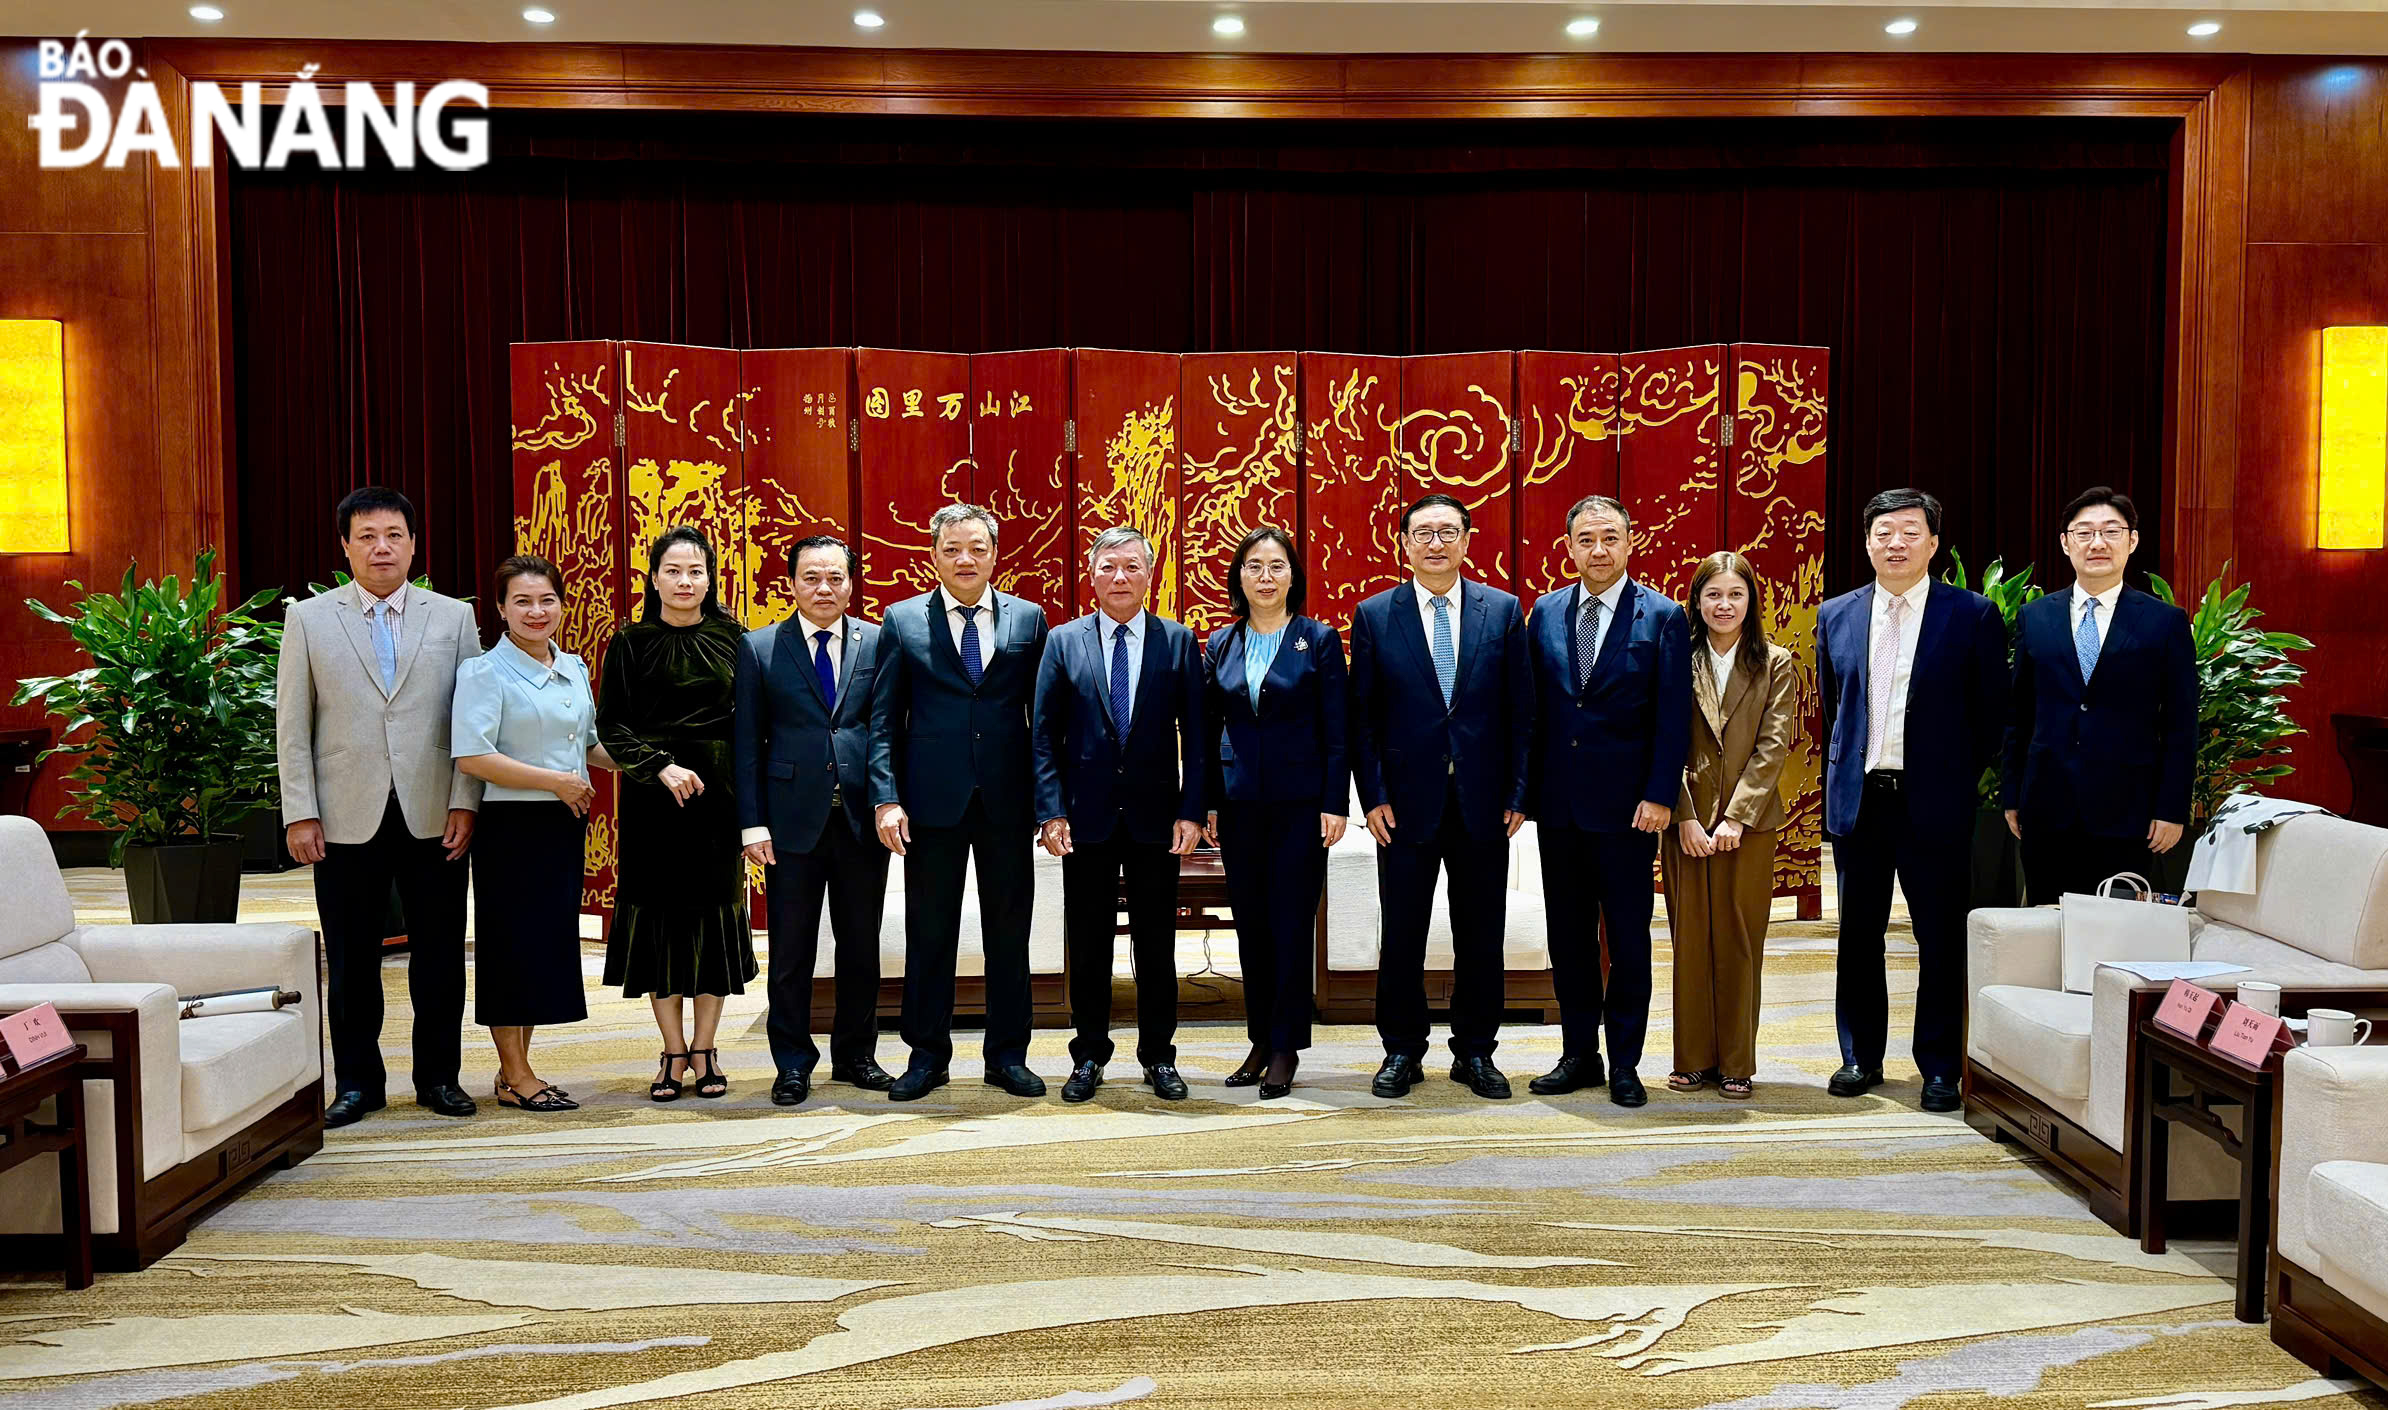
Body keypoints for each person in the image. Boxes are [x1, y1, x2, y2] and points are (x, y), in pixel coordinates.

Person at [275, 486, 484, 1128]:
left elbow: (472, 721)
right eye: (366, 536)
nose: (381, 547)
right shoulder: (309, 619)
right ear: (345, 546)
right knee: (352, 955)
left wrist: (465, 802)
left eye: (393, 534)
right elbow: (292, 723)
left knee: (442, 955)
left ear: (414, 544)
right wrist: (298, 812)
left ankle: (438, 1078)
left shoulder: (452, 618)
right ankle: (359, 1083)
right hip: (342, 817)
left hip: (433, 812)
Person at [1817, 488, 2005, 1112]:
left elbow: (1990, 716)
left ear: (1933, 543)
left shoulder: (1971, 615)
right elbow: (1834, 710)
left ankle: (1940, 1066)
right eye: (1882, 533)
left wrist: (1954, 778)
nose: (1894, 543)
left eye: (1908, 532)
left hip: (1935, 803)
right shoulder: (1836, 614)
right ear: (1867, 542)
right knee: (1858, 936)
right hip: (1861, 800)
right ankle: (1860, 1056)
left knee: (1940, 938)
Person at [1349, 493, 1533, 1101]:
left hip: (1483, 801)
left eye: (1447, 532)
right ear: (1404, 544)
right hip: (1402, 805)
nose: (1435, 543)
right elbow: (1364, 719)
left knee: (1482, 930)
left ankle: (1476, 1051)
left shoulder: (1502, 610)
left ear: (1468, 540)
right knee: (1402, 929)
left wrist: (1517, 792)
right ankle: (1401, 1049)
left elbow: (1520, 713)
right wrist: (1371, 796)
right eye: (1422, 533)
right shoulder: (1376, 614)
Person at [871, 503, 1052, 1101]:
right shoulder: (902, 621)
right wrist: (886, 798)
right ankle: (926, 1057)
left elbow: (1042, 722)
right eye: (952, 549)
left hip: (1006, 801)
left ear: (996, 553)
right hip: (931, 804)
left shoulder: (1030, 620)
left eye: (976, 548)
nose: (965, 559)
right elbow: (883, 722)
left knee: (1009, 933)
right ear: (934, 556)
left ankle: (1008, 1056)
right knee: (931, 934)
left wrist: (1048, 802)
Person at [1522, 495, 1692, 1109]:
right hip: (1559, 807)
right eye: (1586, 539)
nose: (1599, 550)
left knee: (1627, 941)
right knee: (1567, 939)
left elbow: (1674, 717)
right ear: (1569, 547)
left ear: (1629, 542)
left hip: (1629, 810)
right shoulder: (1544, 612)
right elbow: (1532, 713)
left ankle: (1625, 1061)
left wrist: (1659, 794)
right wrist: (1525, 794)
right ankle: (1578, 1055)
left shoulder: (1665, 616)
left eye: (1610, 538)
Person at [1032, 527, 1207, 1103]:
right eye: (1109, 567)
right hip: (1086, 820)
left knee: (1157, 944)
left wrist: (1192, 812)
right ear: (1092, 574)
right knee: (1089, 943)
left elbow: (1198, 737)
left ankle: (1159, 1055)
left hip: (1159, 819)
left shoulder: (1178, 641)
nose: (1120, 578)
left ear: (1150, 574)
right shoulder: (1063, 641)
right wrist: (1051, 810)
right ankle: (1088, 1056)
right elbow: (1044, 736)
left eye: (1132, 567)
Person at [734, 535, 895, 1108]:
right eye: (811, 578)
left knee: (860, 945)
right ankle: (793, 1062)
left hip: (860, 821)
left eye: (835, 578)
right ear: (792, 583)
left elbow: (886, 732)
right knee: (793, 950)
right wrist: (752, 823)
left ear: (852, 583)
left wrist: (887, 800)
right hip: (789, 824)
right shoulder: (759, 648)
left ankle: (856, 1055)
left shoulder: (878, 641)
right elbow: (747, 743)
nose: (823, 588)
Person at [450, 554, 616, 1113]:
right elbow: (473, 756)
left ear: (562, 605)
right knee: (509, 948)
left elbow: (588, 744)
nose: (536, 611)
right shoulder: (483, 672)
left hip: (562, 825)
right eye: (521, 601)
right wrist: (559, 782)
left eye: (546, 599)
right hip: (511, 827)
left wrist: (652, 757)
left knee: (544, 948)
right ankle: (516, 1074)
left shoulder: (571, 667)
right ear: (500, 609)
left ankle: (514, 1070)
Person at [598, 526, 757, 1104]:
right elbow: (610, 725)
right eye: (673, 570)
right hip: (651, 801)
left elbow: (751, 726)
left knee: (713, 919)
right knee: (660, 922)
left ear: (710, 578)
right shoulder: (630, 642)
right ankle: (671, 1049)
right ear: (655, 576)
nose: (685, 581)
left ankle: (707, 1048)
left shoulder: (737, 639)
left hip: (718, 799)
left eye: (696, 571)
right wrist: (659, 765)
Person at [1202, 526, 1348, 1100]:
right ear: (1240, 577)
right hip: (1240, 808)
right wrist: (1209, 799)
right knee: (1252, 927)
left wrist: (1335, 803)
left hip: (1301, 807)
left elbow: (1339, 733)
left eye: (1277, 566)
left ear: (1294, 576)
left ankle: (1286, 1044)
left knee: (1291, 925)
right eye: (1255, 567)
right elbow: (1208, 730)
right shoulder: (1221, 642)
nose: (1266, 577)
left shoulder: (1319, 639)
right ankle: (1259, 1038)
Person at [2004, 485, 2199, 904]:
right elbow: (2019, 716)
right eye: (2084, 532)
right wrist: (2012, 795)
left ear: (2133, 541)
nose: (2097, 543)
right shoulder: (2035, 617)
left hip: (2128, 812)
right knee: (2045, 928)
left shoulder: (2165, 622)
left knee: (2116, 932)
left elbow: (2182, 724)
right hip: (2046, 807)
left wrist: (2171, 808)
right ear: (2065, 542)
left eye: (2112, 531)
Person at [1662, 552, 1796, 1101]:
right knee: (1689, 940)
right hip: (1685, 821)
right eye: (1712, 594)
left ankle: (1738, 1061)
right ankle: (1693, 1058)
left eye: (1735, 595)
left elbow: (1774, 744)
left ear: (1751, 601)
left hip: (1752, 823)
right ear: (1696, 601)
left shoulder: (1777, 662)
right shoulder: (1675, 657)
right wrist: (1687, 816)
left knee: (1741, 941)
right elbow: (1662, 740)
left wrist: (1736, 816)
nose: (1724, 605)